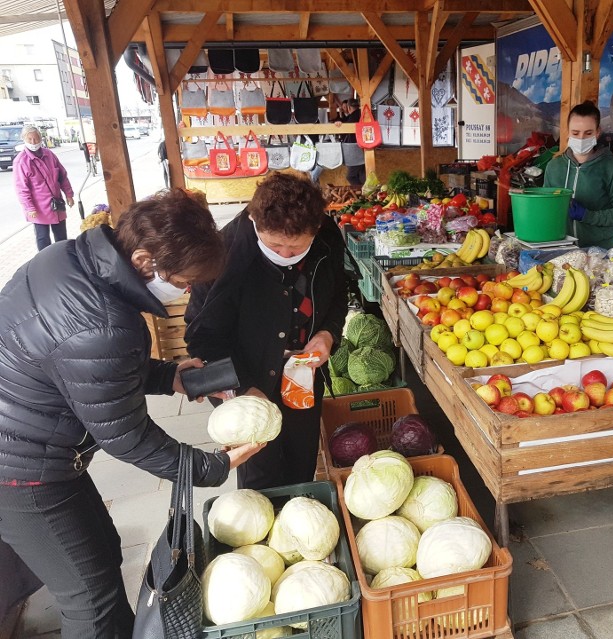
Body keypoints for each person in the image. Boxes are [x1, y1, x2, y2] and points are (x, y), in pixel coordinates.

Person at [0, 189, 264, 638]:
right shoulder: (104, 322)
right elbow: (126, 436)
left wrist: (168, 376)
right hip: (22, 470)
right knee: (91, 600)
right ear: (144, 259)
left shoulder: (70, 258)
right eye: (182, 282)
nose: (183, 291)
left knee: (103, 551)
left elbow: (82, 369)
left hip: (37, 444)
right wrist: (210, 464)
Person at [185, 172, 348, 490]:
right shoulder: (223, 253)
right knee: (261, 471)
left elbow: (338, 294)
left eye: (296, 246)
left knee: (302, 458)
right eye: (275, 245)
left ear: (315, 229)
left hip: (302, 373)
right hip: (246, 373)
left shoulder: (327, 237)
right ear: (253, 220)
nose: (286, 254)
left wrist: (328, 333)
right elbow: (201, 337)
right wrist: (245, 388)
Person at [543, 101, 613, 248]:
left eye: (588, 133)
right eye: (575, 133)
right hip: (560, 248)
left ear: (597, 132)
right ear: (567, 131)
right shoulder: (554, 167)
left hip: (598, 251)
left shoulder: (612, 167)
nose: (581, 139)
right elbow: (546, 209)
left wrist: (588, 216)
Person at [12, 125, 75, 251]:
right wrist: (29, 207)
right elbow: (21, 189)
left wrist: (69, 194)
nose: (34, 142)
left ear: (41, 138)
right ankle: (45, 264)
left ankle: (64, 260)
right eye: (30, 139)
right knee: (43, 239)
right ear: (24, 139)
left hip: (56, 204)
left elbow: (62, 176)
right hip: (38, 207)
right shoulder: (21, 161)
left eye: (36, 138)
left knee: (61, 237)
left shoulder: (49, 154)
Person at [338, 98, 366, 187]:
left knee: (351, 176)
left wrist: (339, 123)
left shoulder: (353, 116)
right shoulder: (361, 114)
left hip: (355, 150)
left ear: (349, 107)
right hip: (364, 149)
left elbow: (344, 125)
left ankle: (361, 193)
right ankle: (366, 193)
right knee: (362, 175)